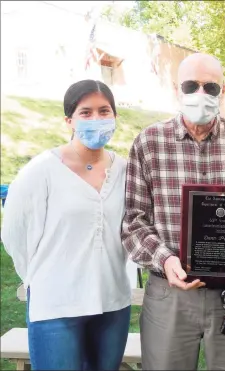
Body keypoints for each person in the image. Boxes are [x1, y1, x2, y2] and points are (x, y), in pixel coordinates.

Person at [121, 52, 225, 370]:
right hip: (169, 293)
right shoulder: (149, 143)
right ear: (177, 89)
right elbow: (133, 222)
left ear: (223, 90)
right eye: (190, 86)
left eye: (210, 87)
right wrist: (165, 258)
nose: (200, 94)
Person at [1, 80, 132, 370]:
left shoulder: (125, 170)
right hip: (56, 307)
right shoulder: (41, 171)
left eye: (104, 110)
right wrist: (42, 277)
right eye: (86, 112)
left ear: (114, 117)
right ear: (69, 120)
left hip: (112, 304)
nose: (96, 119)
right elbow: (14, 235)